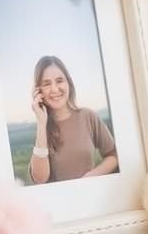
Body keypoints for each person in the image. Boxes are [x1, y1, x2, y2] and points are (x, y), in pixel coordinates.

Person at [29, 55, 118, 184]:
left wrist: (92, 176)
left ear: (68, 83)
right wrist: (42, 124)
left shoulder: (88, 116)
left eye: (59, 81)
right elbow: (40, 178)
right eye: (47, 84)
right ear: (38, 91)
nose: (54, 89)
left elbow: (114, 155)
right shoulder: (40, 129)